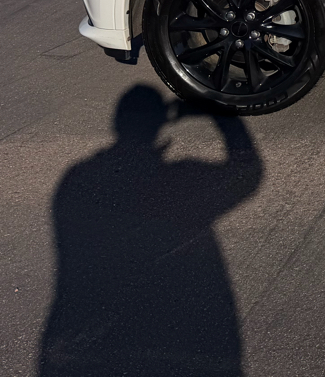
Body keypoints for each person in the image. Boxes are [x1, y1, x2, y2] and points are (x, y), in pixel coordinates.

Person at [40, 85, 263, 377]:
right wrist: (219, 114)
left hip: (87, 349)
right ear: (161, 123)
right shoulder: (180, 184)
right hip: (181, 351)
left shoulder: (78, 181)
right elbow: (248, 172)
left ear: (117, 125)